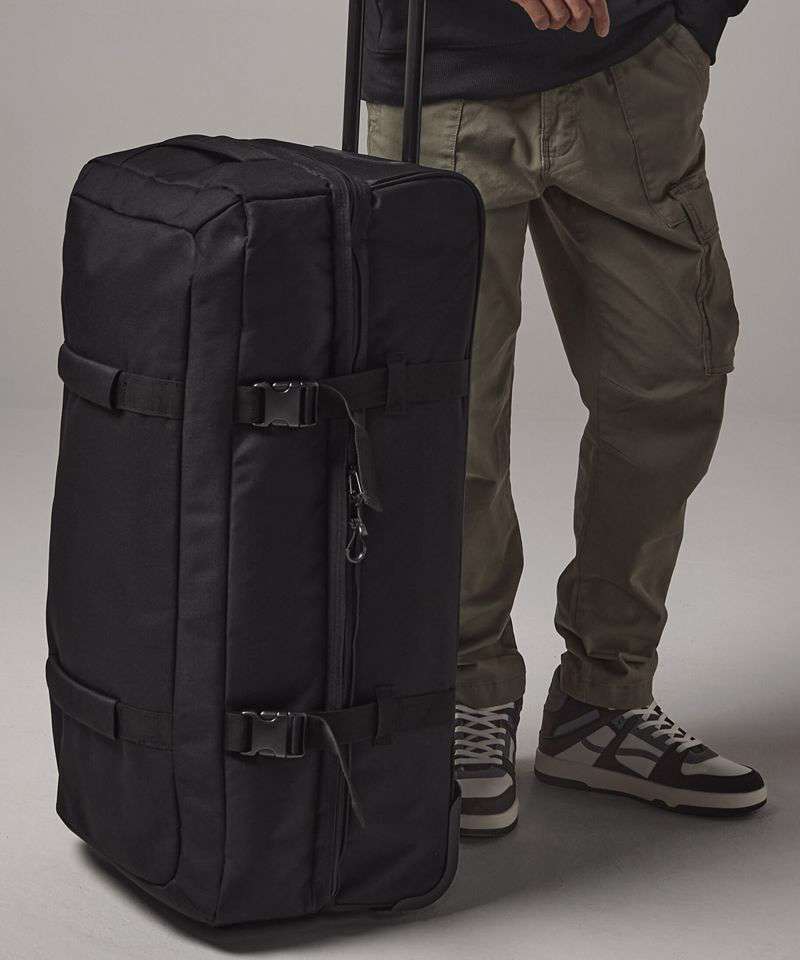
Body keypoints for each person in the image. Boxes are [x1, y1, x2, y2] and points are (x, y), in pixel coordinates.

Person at [364, 0, 765, 836]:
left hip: (634, 67)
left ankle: (603, 703)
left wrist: (698, 22)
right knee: (450, 417)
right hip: (441, 79)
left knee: (672, 378)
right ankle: (466, 694)